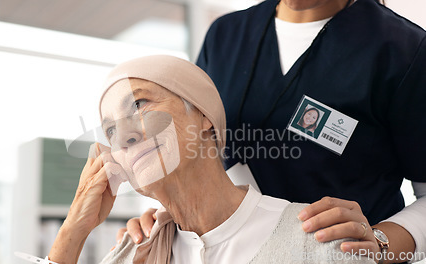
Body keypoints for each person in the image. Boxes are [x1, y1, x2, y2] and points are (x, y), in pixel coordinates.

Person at [121, 0, 426, 263]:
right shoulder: (225, 37)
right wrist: (171, 217)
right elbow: (195, 153)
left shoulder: (403, 51)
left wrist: (381, 244)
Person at [47, 55, 375, 264]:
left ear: (204, 116)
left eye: (139, 105)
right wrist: (74, 229)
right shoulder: (130, 253)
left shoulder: (322, 242)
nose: (124, 136)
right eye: (110, 130)